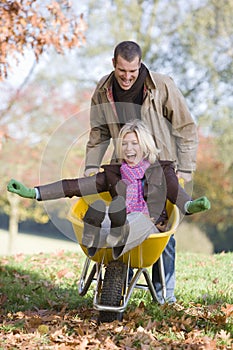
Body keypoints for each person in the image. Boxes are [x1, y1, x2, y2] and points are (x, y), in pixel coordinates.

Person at [7, 121, 210, 302]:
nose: (129, 148)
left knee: (139, 220)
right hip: (117, 222)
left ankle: (113, 234)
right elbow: (74, 186)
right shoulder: (113, 174)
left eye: (134, 143)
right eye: (124, 143)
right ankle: (95, 234)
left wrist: (190, 205)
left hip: (148, 225)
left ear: (145, 146)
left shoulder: (162, 170)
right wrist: (34, 192)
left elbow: (176, 192)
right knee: (105, 214)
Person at [84, 41, 198, 303]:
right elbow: (99, 131)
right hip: (125, 166)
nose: (127, 77)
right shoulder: (104, 89)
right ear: (114, 64)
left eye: (132, 72)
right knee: (121, 219)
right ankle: (116, 284)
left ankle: (164, 295)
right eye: (122, 71)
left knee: (163, 232)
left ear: (140, 65)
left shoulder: (162, 86)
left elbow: (186, 127)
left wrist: (187, 167)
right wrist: (92, 164)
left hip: (160, 169)